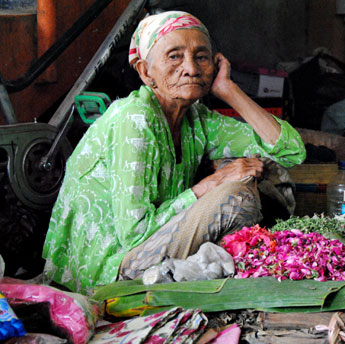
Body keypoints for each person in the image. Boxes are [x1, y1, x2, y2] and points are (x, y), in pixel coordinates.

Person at [43, 11, 306, 293]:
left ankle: (207, 272)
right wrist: (210, 184)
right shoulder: (134, 118)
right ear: (145, 72)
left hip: (151, 249)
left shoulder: (196, 119)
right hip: (109, 269)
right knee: (235, 196)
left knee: (262, 169)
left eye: (201, 57)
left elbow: (290, 151)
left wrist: (228, 90)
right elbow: (134, 235)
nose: (191, 69)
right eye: (174, 56)